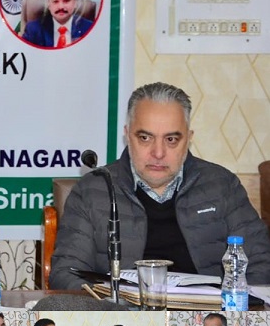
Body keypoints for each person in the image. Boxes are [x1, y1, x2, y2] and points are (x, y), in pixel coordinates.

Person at [50, 81, 270, 290]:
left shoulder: (222, 185)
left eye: (171, 140)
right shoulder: (93, 190)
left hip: (209, 320)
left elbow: (260, 263)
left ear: (188, 139)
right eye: (145, 138)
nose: (158, 153)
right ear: (127, 135)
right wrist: (109, 303)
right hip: (123, 318)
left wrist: (226, 312)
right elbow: (66, 273)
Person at [22, 0, 94, 48]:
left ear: (74, 3)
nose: (61, 7)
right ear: (49, 4)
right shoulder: (33, 29)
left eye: (66, 1)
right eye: (55, 1)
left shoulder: (89, 28)